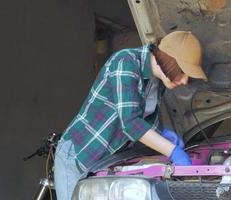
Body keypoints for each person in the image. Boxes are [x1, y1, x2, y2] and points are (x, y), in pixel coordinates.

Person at [54, 31, 207, 200]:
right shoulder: (125, 62)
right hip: (80, 154)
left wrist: (162, 134)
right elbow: (131, 123)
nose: (185, 81)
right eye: (182, 71)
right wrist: (173, 152)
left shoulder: (158, 82)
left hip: (109, 160)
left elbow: (144, 120)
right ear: (168, 60)